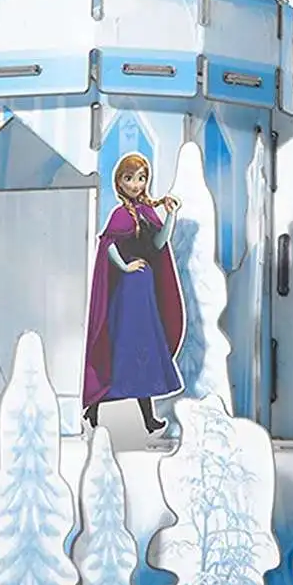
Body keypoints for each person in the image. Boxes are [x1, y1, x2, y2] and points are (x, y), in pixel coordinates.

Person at [83, 152, 186, 435]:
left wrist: (171, 216)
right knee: (125, 348)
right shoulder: (120, 215)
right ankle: (94, 406)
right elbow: (109, 245)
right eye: (129, 178)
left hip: (145, 292)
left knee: (146, 349)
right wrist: (125, 267)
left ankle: (148, 419)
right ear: (119, 182)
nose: (136, 184)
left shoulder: (146, 212)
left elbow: (158, 244)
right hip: (128, 293)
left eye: (141, 178)